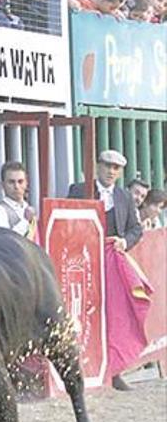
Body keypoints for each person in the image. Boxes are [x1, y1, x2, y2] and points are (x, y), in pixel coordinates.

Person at [67, 149, 142, 392]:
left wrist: (124, 242)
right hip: (84, 261)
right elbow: (67, 222)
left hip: (111, 262)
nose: (111, 171)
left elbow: (135, 229)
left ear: (120, 173)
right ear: (97, 166)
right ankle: (81, 367)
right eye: (107, 166)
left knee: (113, 313)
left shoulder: (124, 197)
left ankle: (114, 370)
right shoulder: (78, 190)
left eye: (116, 168)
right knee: (82, 311)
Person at [0, 161, 36, 238]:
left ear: (26, 183)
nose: (16, 186)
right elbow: (6, 241)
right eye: (11, 182)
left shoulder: (28, 207)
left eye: (20, 182)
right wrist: (25, 221)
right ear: (2, 185)